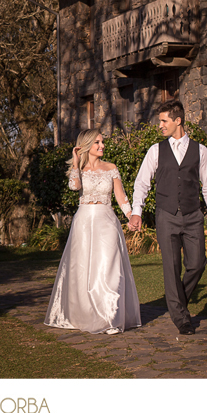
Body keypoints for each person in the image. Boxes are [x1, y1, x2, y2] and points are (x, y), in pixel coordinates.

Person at [128, 100, 207, 336]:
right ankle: (182, 319)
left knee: (197, 264)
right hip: (166, 216)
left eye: (164, 121)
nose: (160, 125)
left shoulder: (200, 151)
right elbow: (142, 183)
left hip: (192, 216)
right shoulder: (155, 150)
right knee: (171, 267)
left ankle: (177, 301)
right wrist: (137, 211)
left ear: (177, 121)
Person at [44, 128, 141, 335]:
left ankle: (110, 317)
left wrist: (131, 215)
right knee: (84, 271)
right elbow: (74, 186)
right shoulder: (80, 169)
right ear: (88, 145)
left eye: (102, 142)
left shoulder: (111, 168)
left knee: (110, 269)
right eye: (97, 142)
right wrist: (76, 161)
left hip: (107, 221)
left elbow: (121, 196)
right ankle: (87, 315)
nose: (102, 145)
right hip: (84, 223)